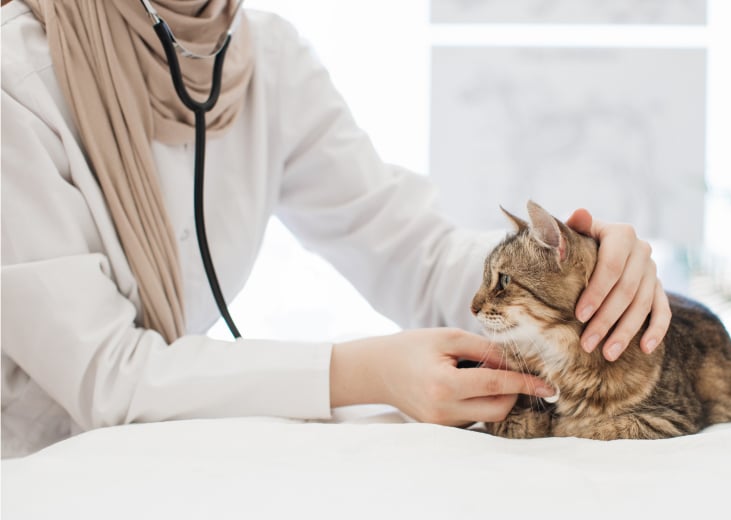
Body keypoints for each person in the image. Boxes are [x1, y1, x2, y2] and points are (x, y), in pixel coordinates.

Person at [0, 0, 671, 458]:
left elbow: (411, 247)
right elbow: (107, 379)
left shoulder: (266, 58)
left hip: (157, 467)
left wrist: (575, 270)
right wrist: (360, 370)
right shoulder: (17, 77)